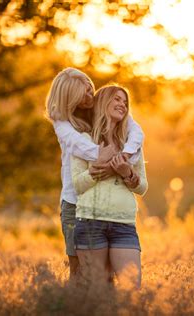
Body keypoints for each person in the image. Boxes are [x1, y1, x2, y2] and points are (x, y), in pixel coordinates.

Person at [45, 68, 144, 281]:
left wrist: (125, 155)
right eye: (84, 94)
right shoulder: (63, 122)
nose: (91, 96)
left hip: (104, 205)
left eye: (90, 89)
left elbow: (136, 132)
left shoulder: (99, 109)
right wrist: (104, 155)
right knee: (80, 274)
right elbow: (78, 145)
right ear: (70, 98)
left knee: (106, 276)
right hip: (74, 201)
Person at [71, 84, 148, 288]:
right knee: (98, 291)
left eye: (125, 102)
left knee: (131, 288)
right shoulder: (84, 140)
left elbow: (142, 187)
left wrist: (127, 173)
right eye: (116, 99)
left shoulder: (132, 144)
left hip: (124, 224)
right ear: (103, 102)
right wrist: (97, 169)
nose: (122, 104)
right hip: (90, 222)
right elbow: (78, 184)